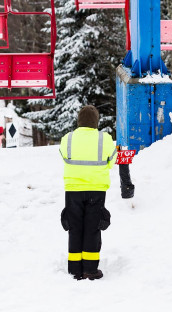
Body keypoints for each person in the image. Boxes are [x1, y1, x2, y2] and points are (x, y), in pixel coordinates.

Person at [59, 105, 117, 281]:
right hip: (96, 190)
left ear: (79, 121)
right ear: (96, 121)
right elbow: (111, 162)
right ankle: (90, 270)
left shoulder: (67, 138)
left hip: (73, 190)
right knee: (92, 229)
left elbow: (63, 156)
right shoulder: (104, 139)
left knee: (75, 228)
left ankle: (75, 269)